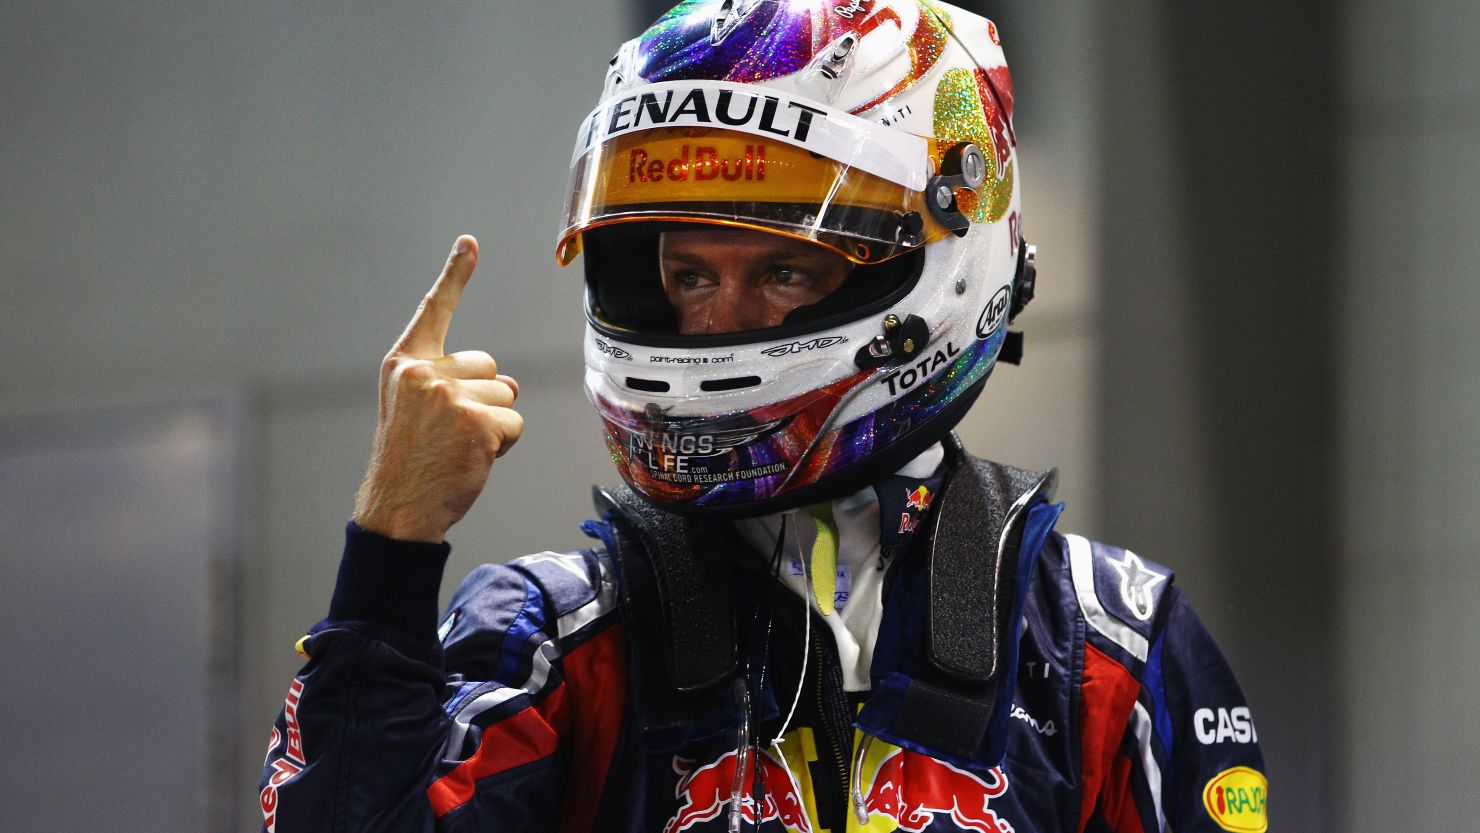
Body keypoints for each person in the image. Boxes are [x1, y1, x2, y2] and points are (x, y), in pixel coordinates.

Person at [260, 2, 1267, 831]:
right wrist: (392, 540)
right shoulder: (553, 634)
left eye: (784, 269)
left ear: (953, 262)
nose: (718, 321)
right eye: (688, 274)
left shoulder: (1106, 640)